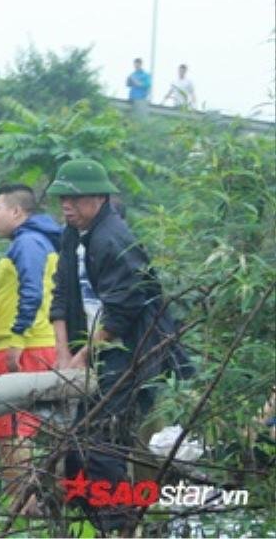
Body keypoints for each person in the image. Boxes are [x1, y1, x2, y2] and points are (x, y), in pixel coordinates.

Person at [47, 159, 191, 532]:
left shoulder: (114, 239)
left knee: (101, 443)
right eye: (63, 198)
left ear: (98, 198)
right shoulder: (71, 233)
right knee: (79, 446)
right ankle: (90, 520)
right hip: (95, 347)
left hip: (132, 351)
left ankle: (120, 525)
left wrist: (82, 357)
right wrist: (64, 355)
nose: (67, 206)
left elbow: (121, 314)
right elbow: (61, 292)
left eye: (75, 199)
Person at [0, 184, 62, 494]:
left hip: (23, 345)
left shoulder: (28, 243)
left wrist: (16, 337)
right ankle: (30, 504)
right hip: (31, 342)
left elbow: (32, 291)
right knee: (19, 428)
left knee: (13, 430)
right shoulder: (39, 241)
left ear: (16, 212)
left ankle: (21, 508)